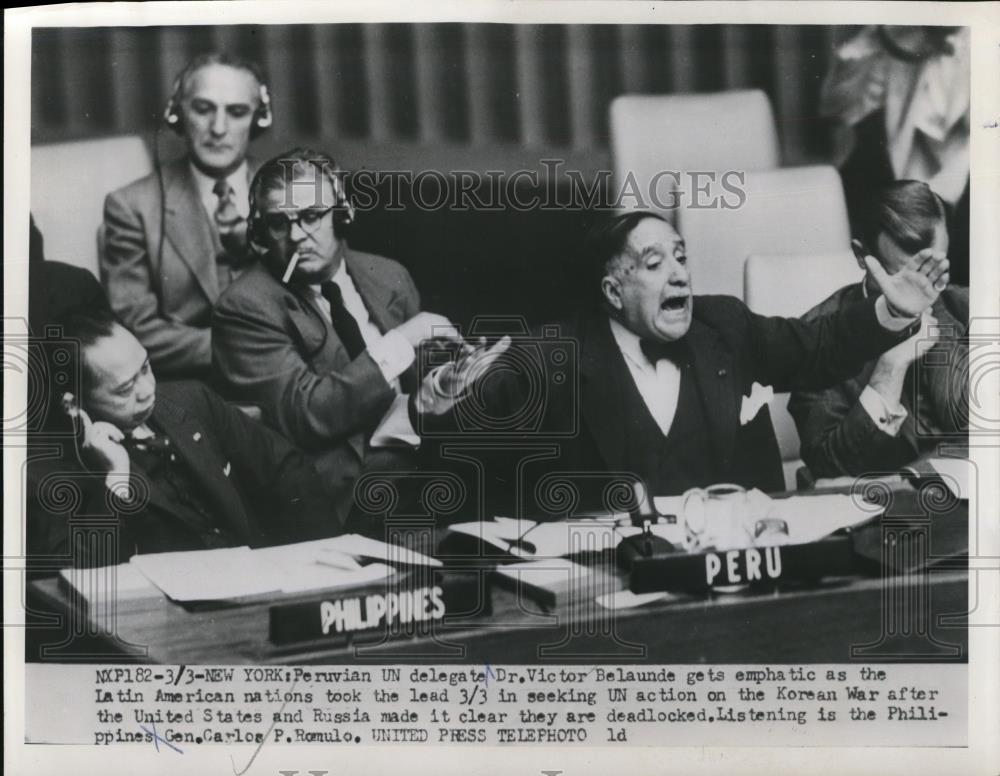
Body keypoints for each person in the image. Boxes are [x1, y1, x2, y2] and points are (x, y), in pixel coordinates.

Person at [468, 210, 949, 503]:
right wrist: (436, 403)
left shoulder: (725, 326)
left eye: (681, 257)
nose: (680, 274)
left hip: (730, 566)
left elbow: (816, 346)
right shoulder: (551, 357)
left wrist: (890, 311)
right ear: (613, 292)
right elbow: (468, 454)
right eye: (656, 264)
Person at [212, 148, 507, 524]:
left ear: (343, 214)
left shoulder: (388, 275)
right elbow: (308, 417)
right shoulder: (244, 306)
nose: (297, 236)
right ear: (260, 231)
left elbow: (415, 397)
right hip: (341, 495)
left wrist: (441, 387)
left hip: (419, 464)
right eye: (278, 223)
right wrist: (401, 341)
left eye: (311, 216)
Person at [27, 308, 339, 568]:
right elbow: (83, 581)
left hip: (262, 578)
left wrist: (323, 561)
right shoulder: (45, 475)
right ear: (73, 403)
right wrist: (117, 480)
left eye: (146, 368)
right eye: (125, 389)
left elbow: (287, 470)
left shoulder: (190, 400)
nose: (148, 389)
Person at [101, 52, 272, 378]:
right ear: (177, 114)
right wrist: (244, 350)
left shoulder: (295, 191)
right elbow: (134, 325)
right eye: (203, 109)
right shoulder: (131, 205)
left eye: (236, 112)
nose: (218, 128)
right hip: (198, 384)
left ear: (259, 119)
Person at [789, 181, 968, 479]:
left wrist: (934, 318)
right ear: (862, 255)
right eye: (902, 276)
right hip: (873, 514)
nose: (921, 288)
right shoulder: (815, 337)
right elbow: (830, 467)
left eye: (934, 271)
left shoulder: (969, 308)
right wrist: (890, 368)